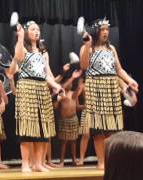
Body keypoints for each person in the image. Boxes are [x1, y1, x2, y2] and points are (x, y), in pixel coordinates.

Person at [79, 17, 139, 169]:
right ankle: (101, 162)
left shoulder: (111, 49)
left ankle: (111, 161)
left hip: (111, 88)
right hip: (96, 88)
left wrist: (129, 80)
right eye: (103, 29)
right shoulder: (89, 48)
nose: (105, 32)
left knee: (112, 128)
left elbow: (118, 70)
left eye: (107, 29)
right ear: (96, 31)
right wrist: (87, 46)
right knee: (98, 129)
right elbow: (84, 65)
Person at [9, 21, 62, 172]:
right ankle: (25, 163)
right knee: (28, 126)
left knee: (42, 126)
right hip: (27, 87)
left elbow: (46, 74)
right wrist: (19, 39)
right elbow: (18, 58)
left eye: (38, 29)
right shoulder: (23, 49)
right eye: (33, 29)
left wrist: (55, 85)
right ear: (26, 32)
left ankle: (38, 163)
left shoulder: (42, 52)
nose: (36, 31)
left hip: (41, 88)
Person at [55, 69, 83, 167]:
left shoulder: (73, 93)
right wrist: (72, 77)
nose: (70, 85)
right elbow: (64, 87)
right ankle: (61, 161)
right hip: (64, 120)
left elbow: (78, 106)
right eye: (68, 83)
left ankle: (74, 159)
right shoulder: (61, 93)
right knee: (64, 141)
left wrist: (87, 106)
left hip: (74, 119)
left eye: (71, 83)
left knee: (73, 141)